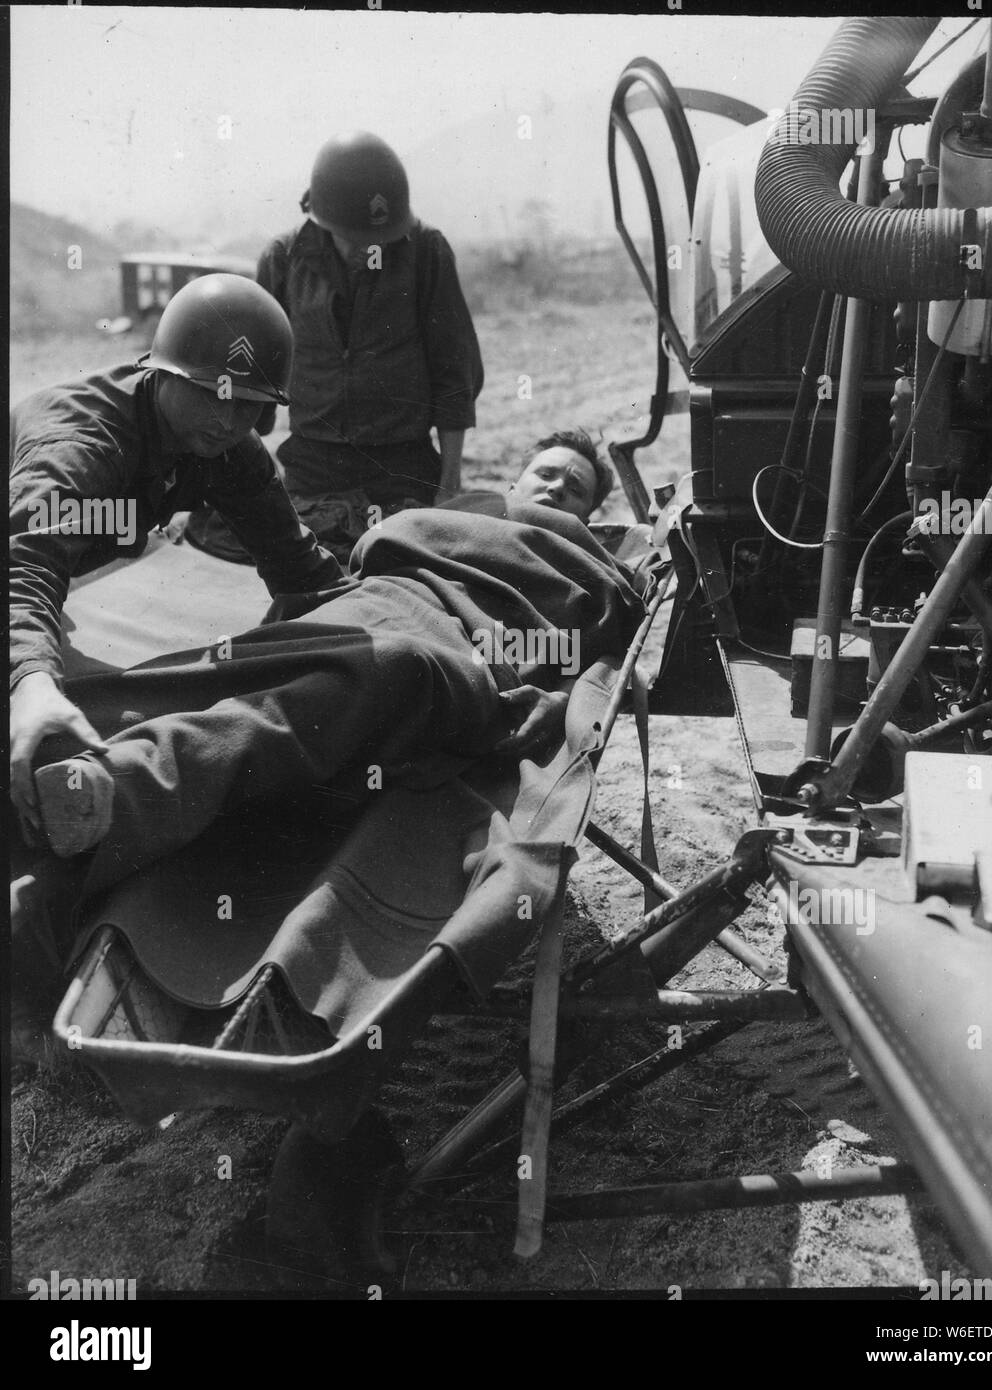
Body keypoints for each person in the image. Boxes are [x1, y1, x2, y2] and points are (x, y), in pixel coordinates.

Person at [11, 444, 641, 1060]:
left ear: (589, 514)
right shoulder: (461, 512)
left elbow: (598, 634)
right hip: (370, 609)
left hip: (449, 651)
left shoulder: (582, 559)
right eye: (546, 472)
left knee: (369, 677)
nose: (556, 487)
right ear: (514, 481)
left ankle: (120, 789)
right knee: (219, 676)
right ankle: (71, 784)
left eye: (575, 487)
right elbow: (376, 552)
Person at [9, 274, 347, 844]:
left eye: (250, 407)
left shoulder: (223, 443)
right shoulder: (81, 444)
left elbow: (300, 568)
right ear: (160, 372)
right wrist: (31, 681)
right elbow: (26, 567)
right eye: (213, 394)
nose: (229, 420)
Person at [187, 133, 483, 564]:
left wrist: (449, 480)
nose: (370, 248)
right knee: (250, 542)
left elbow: (453, 370)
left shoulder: (426, 252)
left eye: (377, 238)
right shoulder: (284, 257)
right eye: (357, 237)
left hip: (401, 464)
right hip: (312, 462)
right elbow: (252, 370)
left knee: (404, 557)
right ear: (323, 221)